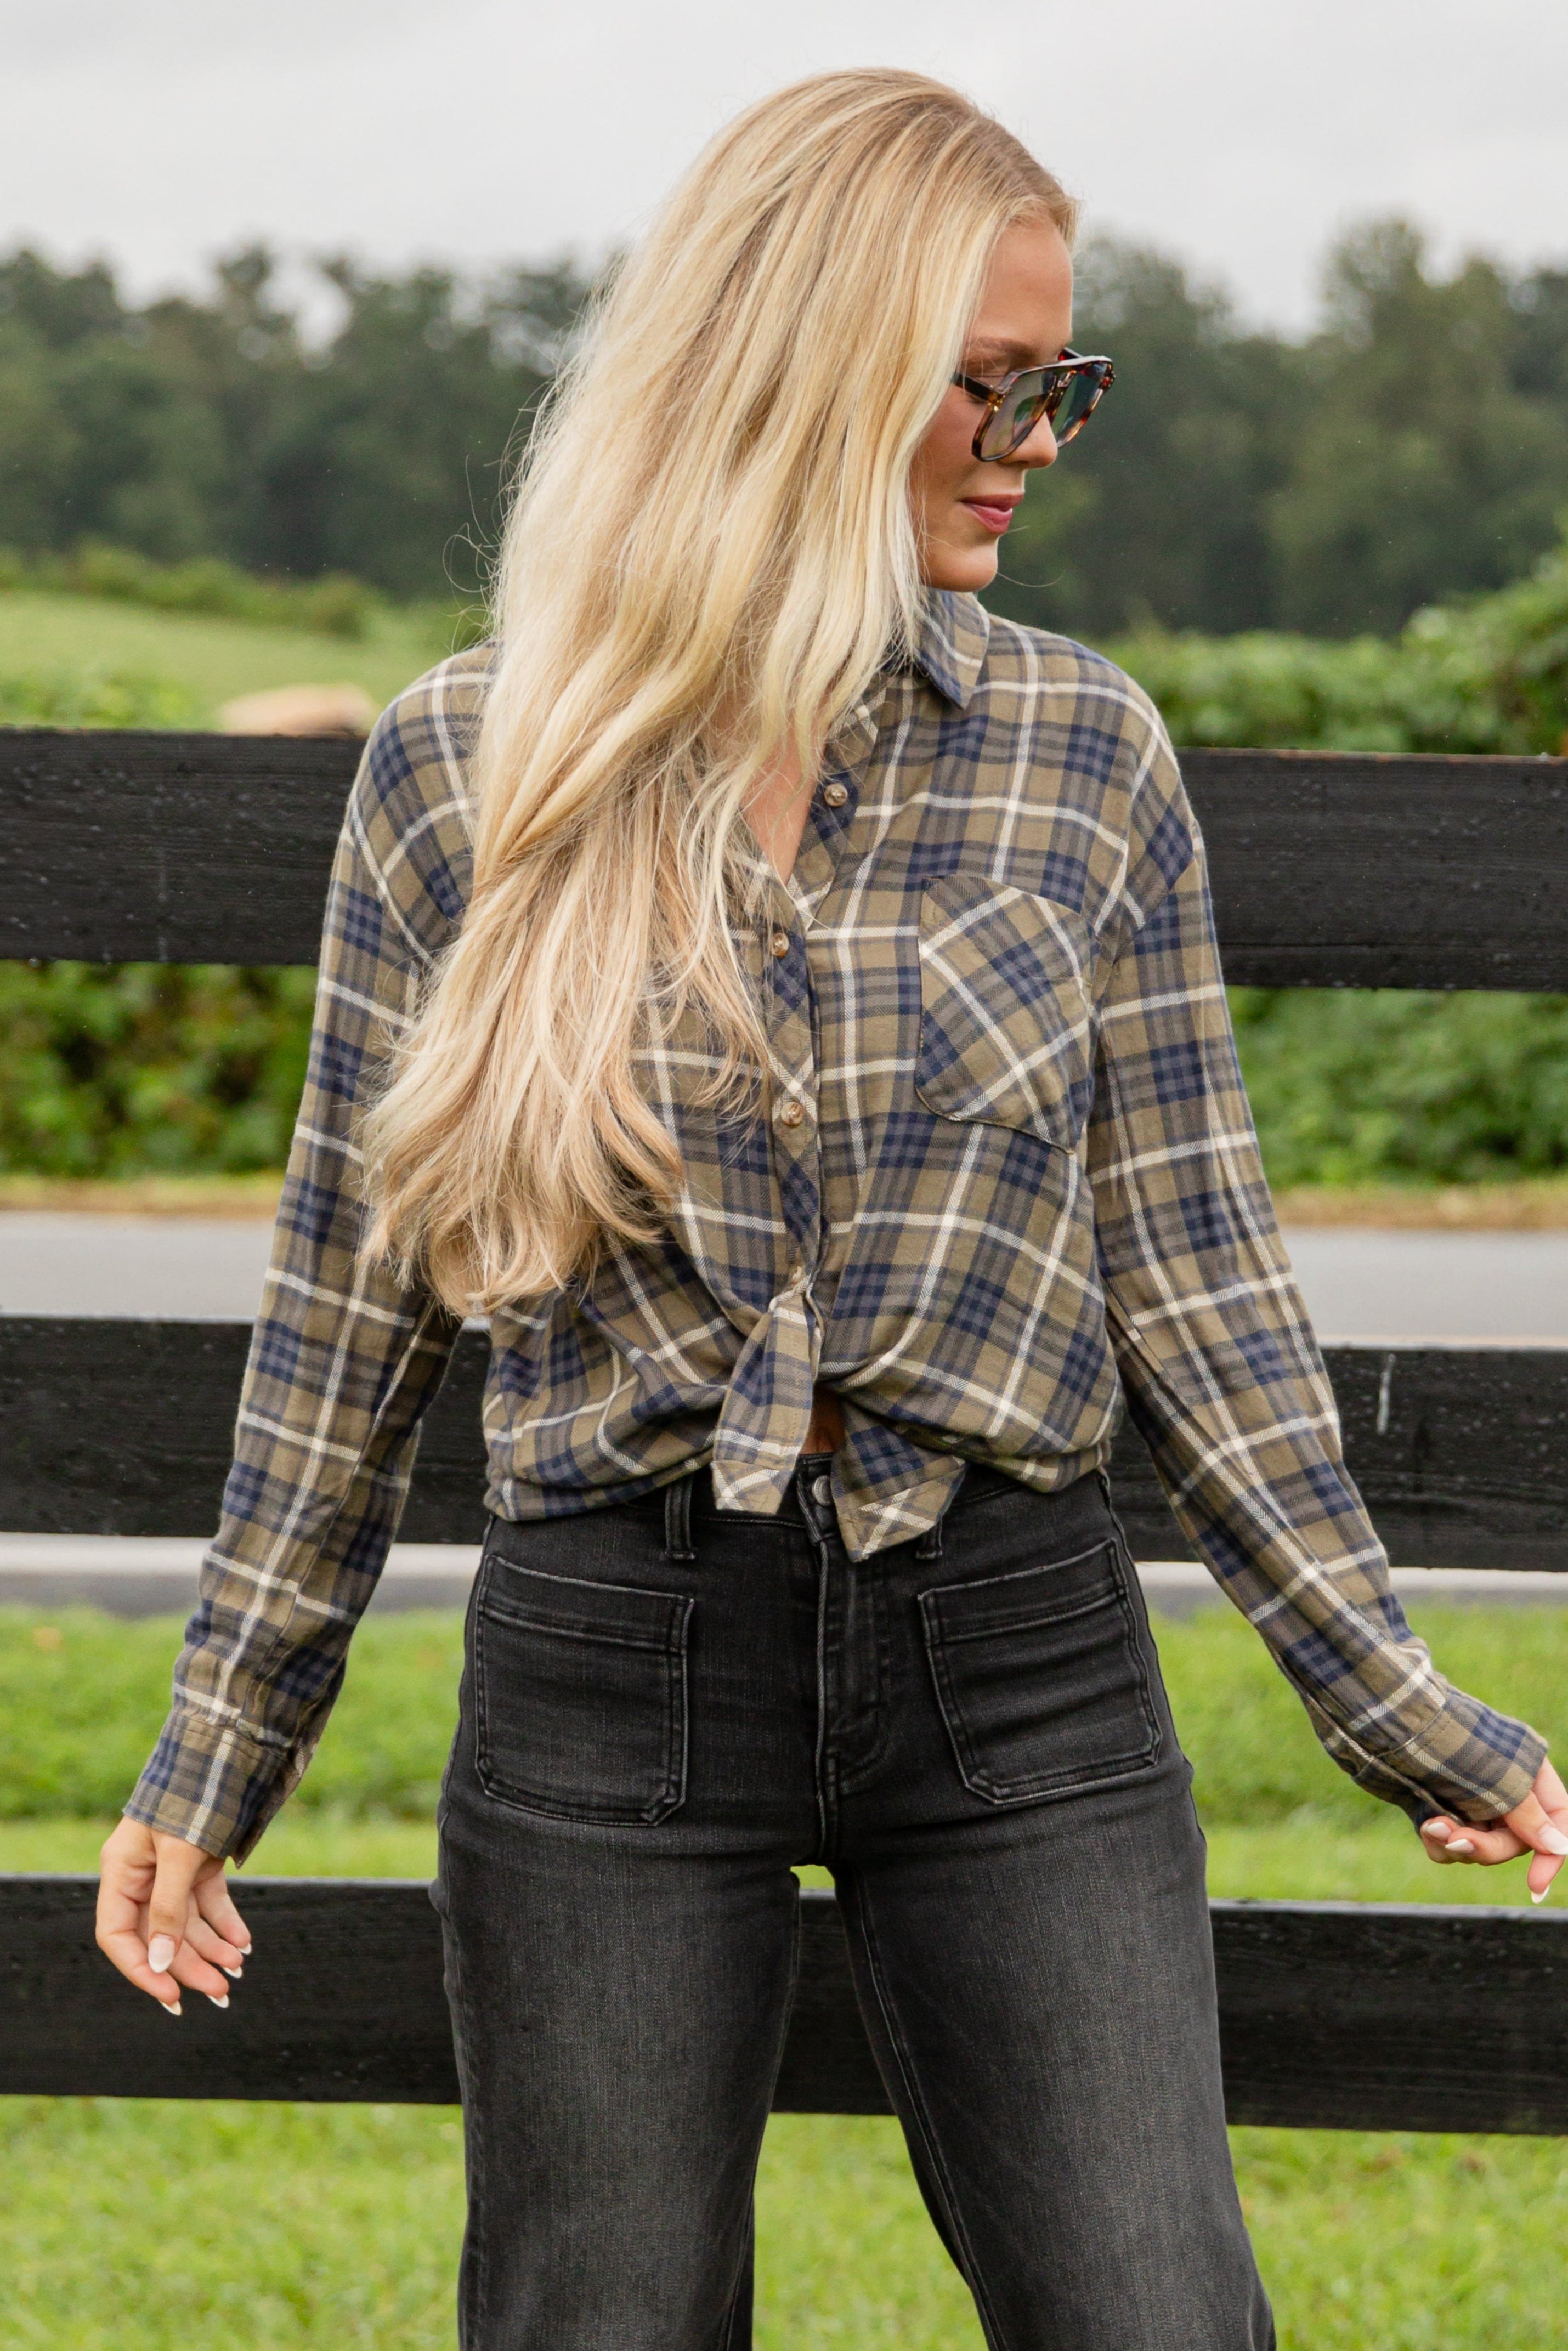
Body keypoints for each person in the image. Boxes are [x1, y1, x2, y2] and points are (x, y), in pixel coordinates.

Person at [97, 68, 1566, 2351]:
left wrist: (1395, 1703)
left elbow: (1200, 1280)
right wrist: (216, 1756)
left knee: (1156, 2319)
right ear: (803, 367)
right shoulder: (470, 771)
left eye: (1066, 381)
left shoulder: (1085, 756)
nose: (1042, 438)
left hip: (1018, 1665)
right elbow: (345, 1320)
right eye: (990, 384)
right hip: (611, 1682)